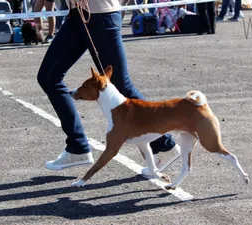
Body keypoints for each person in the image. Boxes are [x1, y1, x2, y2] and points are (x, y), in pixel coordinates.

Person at [37, 0, 180, 174]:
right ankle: (78, 147)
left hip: (99, 14)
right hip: (78, 15)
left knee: (121, 85)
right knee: (48, 77)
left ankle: (164, 145)